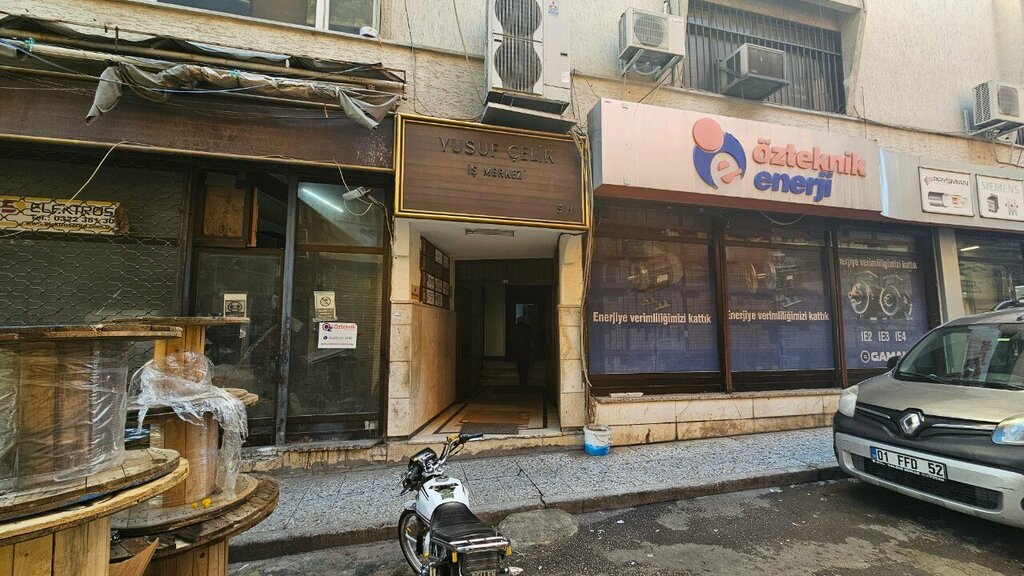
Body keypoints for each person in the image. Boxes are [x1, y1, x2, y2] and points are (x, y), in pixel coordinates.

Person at [510, 316, 533, 388]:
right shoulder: (527, 328)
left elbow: (511, 339)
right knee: (525, 365)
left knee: (519, 366)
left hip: (518, 350)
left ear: (517, 321)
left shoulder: (514, 328)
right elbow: (531, 338)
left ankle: (521, 381)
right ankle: (524, 381)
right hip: (526, 350)